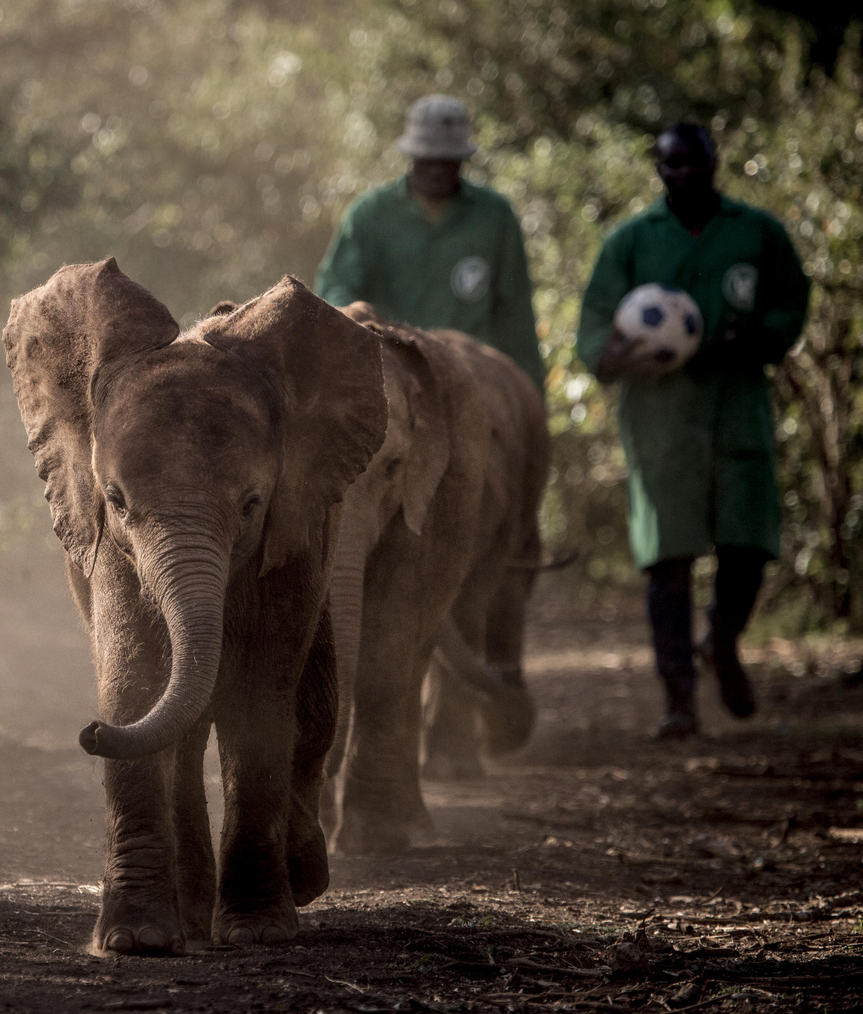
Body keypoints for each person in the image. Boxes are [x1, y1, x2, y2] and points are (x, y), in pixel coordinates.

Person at [577, 122, 810, 739]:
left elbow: (791, 302)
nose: (684, 175)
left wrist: (755, 337)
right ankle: (678, 697)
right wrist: (624, 356)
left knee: (748, 543)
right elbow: (594, 331)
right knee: (668, 559)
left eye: (694, 163)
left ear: (714, 163)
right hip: (662, 419)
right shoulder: (630, 241)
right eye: (671, 165)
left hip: (737, 408)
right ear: (658, 169)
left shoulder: (757, 232)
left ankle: (724, 639)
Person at [314, 94, 544, 391]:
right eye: (428, 159)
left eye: (447, 161)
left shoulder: (495, 217)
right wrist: (360, 323)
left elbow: (517, 317)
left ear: (463, 159)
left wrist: (531, 399)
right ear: (411, 155)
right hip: (392, 380)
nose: (437, 170)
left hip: (475, 382)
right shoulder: (369, 215)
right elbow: (335, 287)